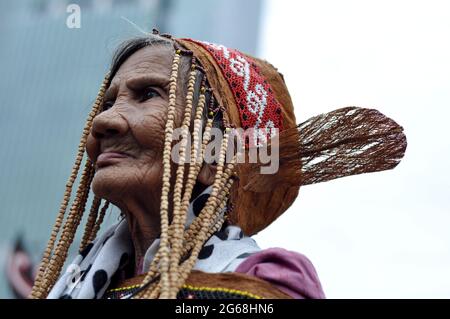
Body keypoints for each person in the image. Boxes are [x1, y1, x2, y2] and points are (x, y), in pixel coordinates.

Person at [29, 30, 407, 299]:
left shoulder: (263, 282)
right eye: (108, 102)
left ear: (215, 154)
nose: (102, 121)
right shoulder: (77, 283)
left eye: (147, 94)